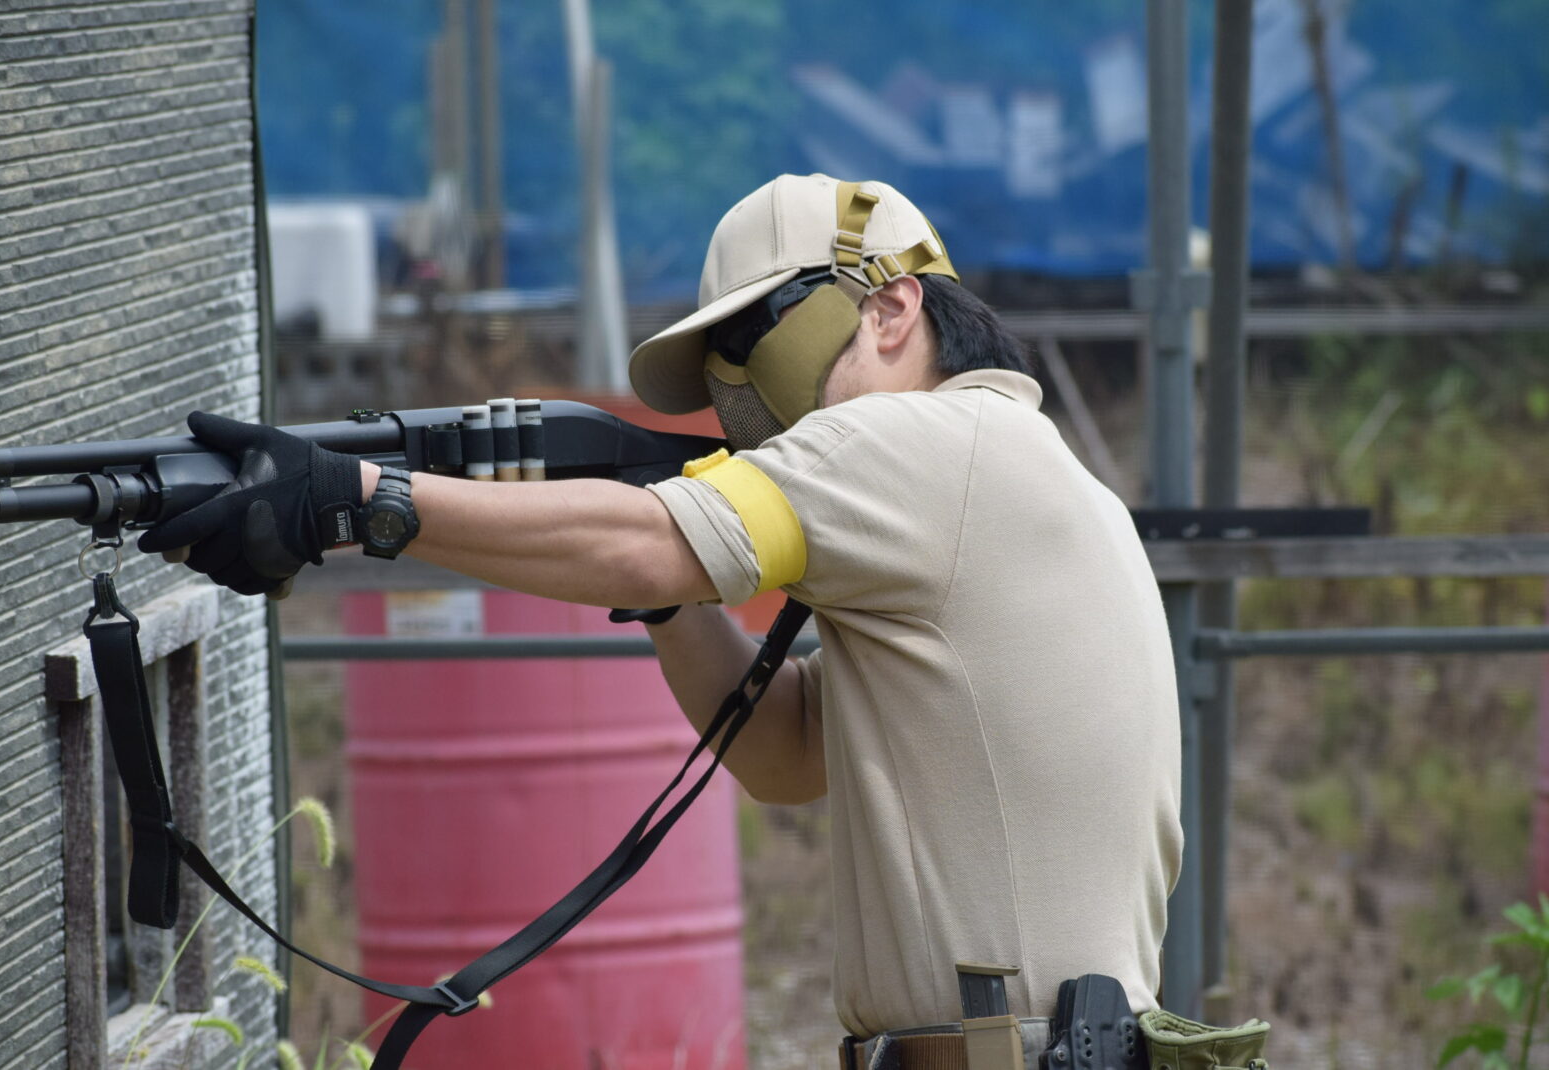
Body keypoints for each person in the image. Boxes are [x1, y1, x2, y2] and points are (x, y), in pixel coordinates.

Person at [140, 173, 1183, 1064]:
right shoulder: (1008, 469)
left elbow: (648, 543)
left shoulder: (926, 440)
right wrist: (668, 590)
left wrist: (360, 501)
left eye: (755, 339)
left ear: (890, 309)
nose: (734, 391)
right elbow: (785, 752)